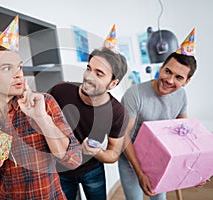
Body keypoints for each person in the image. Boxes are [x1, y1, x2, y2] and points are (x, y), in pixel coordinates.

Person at [0, 16, 82, 200]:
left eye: (19, 67)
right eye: (6, 68)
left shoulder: (44, 102)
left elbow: (74, 160)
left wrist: (41, 118)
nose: (18, 74)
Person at [119, 28, 198, 200]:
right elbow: (123, 136)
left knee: (159, 198)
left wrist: (193, 168)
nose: (169, 80)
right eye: (168, 71)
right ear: (161, 67)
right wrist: (140, 173)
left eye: (179, 77)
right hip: (130, 158)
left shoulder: (181, 96)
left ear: (187, 81)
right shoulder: (135, 94)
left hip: (160, 159)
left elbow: (181, 135)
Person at [49, 45, 129, 199]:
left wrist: (96, 152)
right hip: (60, 170)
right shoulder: (60, 91)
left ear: (113, 83)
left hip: (92, 170)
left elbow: (113, 154)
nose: (89, 76)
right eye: (89, 68)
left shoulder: (117, 112)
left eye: (99, 74)